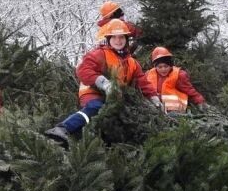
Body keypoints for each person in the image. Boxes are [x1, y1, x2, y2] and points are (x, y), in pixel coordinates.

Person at [44, 19, 160, 148]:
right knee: (97, 108)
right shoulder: (99, 54)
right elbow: (83, 70)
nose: (118, 40)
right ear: (108, 39)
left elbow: (143, 82)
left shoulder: (132, 63)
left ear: (126, 39)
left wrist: (154, 99)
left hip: (114, 98)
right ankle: (62, 129)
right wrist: (103, 83)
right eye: (114, 37)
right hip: (93, 92)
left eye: (121, 37)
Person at [145, 46, 207, 113]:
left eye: (166, 66)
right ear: (155, 66)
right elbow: (143, 87)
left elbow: (189, 90)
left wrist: (200, 101)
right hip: (156, 108)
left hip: (176, 110)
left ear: (170, 65)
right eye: (160, 67)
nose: (163, 69)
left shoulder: (179, 75)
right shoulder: (149, 74)